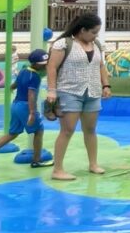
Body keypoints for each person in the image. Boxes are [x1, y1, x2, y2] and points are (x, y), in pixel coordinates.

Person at [46, 14, 111, 181]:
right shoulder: (64, 44)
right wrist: (52, 90)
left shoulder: (96, 44)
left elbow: (101, 66)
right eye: (94, 32)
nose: (96, 35)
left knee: (90, 129)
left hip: (92, 92)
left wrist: (106, 85)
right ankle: (58, 169)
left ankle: (93, 164)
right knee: (67, 130)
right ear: (83, 30)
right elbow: (52, 67)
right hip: (69, 91)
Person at [0, 49, 52, 169]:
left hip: (16, 105)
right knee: (39, 131)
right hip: (25, 107)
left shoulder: (23, 71)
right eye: (44, 63)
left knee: (13, 133)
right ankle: (36, 160)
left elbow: (14, 85)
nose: (46, 65)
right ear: (36, 64)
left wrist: (12, 88)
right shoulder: (35, 77)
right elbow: (31, 94)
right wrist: (32, 113)